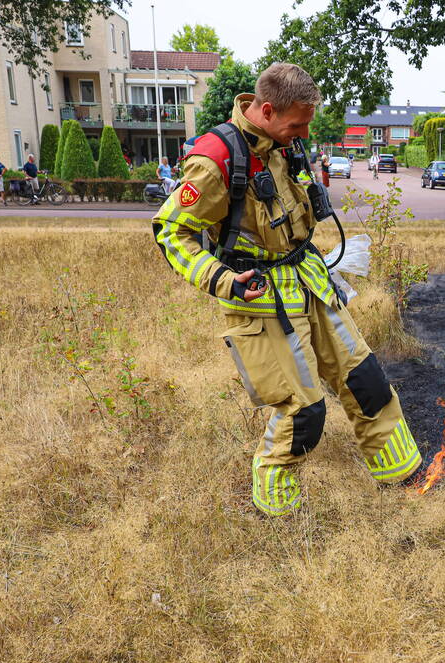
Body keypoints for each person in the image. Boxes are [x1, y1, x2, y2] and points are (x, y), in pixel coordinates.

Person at [152, 62, 422, 516]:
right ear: (267, 110)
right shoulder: (216, 160)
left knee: (367, 380)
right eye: (296, 124)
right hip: (261, 298)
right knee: (304, 410)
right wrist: (221, 279)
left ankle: (404, 479)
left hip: (309, 280)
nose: (302, 133)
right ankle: (277, 512)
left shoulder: (281, 143)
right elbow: (170, 232)